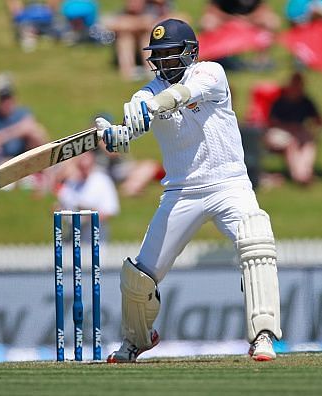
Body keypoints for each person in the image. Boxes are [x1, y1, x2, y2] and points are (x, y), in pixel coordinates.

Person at [96, 19, 282, 362]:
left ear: (190, 53)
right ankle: (136, 340)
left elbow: (180, 96)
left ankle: (264, 337)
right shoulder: (145, 93)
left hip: (230, 185)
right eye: (159, 57)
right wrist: (121, 134)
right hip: (181, 192)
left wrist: (148, 108)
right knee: (139, 276)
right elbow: (138, 121)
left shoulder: (211, 73)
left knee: (256, 240)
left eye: (171, 55)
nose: (164, 63)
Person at [265, 72, 322, 185]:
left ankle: (305, 172)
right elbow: (272, 121)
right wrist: (289, 127)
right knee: (291, 143)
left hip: (298, 132)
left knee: (308, 143)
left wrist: (315, 126)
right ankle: (299, 175)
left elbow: (318, 120)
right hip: (280, 132)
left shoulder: (306, 101)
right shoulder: (280, 101)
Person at [55, 151, 120, 241]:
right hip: (72, 237)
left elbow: (110, 211)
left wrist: (87, 213)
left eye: (86, 167)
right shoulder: (71, 183)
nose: (83, 170)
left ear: (92, 164)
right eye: (81, 167)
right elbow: (61, 204)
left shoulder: (103, 181)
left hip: (94, 238)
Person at [0, 82, 48, 169]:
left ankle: (46, 164)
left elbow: (30, 127)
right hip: (4, 158)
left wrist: (3, 135)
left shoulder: (23, 113)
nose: (6, 103)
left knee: (36, 133)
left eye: (8, 99)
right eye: (3, 100)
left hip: (24, 153)